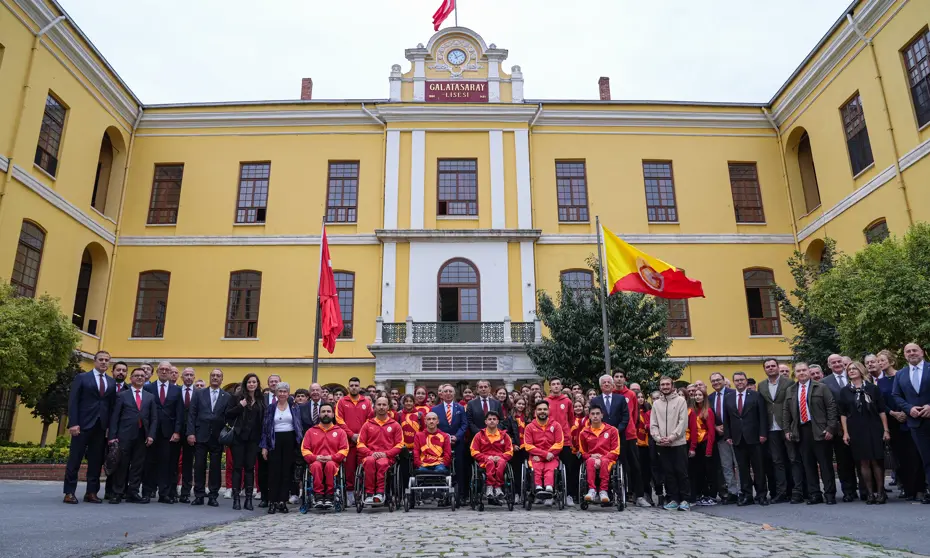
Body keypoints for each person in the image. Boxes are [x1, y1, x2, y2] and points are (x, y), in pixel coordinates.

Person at [63, 350, 115, 505]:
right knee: (75, 459)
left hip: (101, 426)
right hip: (82, 425)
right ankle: (69, 492)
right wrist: (73, 423)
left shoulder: (111, 382)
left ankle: (91, 492)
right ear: (95, 361)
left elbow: (111, 406)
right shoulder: (82, 378)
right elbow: (73, 401)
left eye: (106, 360)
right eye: (101, 359)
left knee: (96, 461)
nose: (104, 362)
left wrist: (109, 427)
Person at [783, 362, 838, 505]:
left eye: (804, 370)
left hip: (820, 430)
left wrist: (830, 428)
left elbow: (831, 407)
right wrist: (787, 430)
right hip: (801, 430)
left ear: (808, 371)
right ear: (795, 374)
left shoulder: (821, 387)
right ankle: (814, 494)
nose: (801, 373)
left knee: (825, 464)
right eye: (798, 371)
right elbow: (786, 411)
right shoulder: (791, 390)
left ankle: (829, 494)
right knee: (808, 465)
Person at [838, 361, 891, 505]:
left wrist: (886, 430)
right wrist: (845, 433)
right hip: (856, 429)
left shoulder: (872, 388)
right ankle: (869, 493)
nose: (851, 371)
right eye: (849, 369)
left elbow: (881, 410)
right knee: (863, 461)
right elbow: (843, 414)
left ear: (861, 371)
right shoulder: (845, 391)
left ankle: (880, 492)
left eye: (854, 369)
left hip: (874, 427)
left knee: (876, 460)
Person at [877, 350, 926, 500]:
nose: (880, 363)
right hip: (893, 423)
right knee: (901, 458)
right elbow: (881, 403)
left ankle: (920, 489)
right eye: (878, 361)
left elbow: (910, 396)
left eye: (882, 360)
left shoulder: (903, 375)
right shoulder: (880, 382)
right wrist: (893, 413)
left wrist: (906, 411)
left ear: (891, 361)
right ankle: (907, 489)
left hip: (910, 419)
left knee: (915, 456)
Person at [106, 367, 157, 504]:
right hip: (124, 435)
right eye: (136, 375)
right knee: (122, 465)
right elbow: (115, 417)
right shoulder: (122, 395)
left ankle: (133, 492)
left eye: (142, 376)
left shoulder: (150, 397)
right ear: (131, 378)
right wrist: (112, 436)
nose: (140, 378)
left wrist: (151, 435)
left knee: (137, 466)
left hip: (142, 436)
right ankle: (117, 492)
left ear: (145, 379)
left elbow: (154, 418)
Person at [187, 368, 232, 507]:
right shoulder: (199, 393)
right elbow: (192, 414)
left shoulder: (226, 396)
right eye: (213, 375)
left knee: (215, 467)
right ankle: (199, 495)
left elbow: (228, 417)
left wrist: (227, 435)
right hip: (200, 435)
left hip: (217, 437)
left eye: (218, 376)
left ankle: (213, 495)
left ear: (222, 379)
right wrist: (190, 433)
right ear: (210, 377)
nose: (215, 378)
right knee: (199, 466)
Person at [892, 343, 930, 504]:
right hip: (916, 423)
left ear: (922, 352)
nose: (912, 353)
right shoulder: (901, 374)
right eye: (908, 351)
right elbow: (896, 395)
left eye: (915, 350)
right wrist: (909, 409)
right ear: (905, 355)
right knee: (926, 459)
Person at [723, 371, 768, 506]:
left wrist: (763, 433)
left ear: (746, 381)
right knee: (743, 469)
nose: (739, 382)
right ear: (734, 382)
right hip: (737, 438)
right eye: (737, 380)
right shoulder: (729, 397)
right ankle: (747, 495)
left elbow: (763, 416)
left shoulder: (756, 395)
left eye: (742, 380)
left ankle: (761, 495)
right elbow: (727, 418)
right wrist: (728, 435)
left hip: (755, 437)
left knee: (759, 468)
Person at [142, 361, 183, 504]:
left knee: (166, 463)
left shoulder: (176, 390)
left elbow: (179, 413)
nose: (164, 372)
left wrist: (177, 431)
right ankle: (147, 492)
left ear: (171, 372)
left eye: (167, 370)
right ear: (157, 371)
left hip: (168, 433)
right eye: (162, 369)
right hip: (151, 432)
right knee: (149, 463)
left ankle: (164, 494)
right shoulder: (148, 388)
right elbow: (144, 411)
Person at [822, 354, 861, 501]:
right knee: (843, 460)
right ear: (829, 365)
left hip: (858, 424)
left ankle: (865, 489)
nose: (837, 364)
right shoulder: (825, 382)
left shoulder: (854, 377)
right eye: (834, 362)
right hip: (838, 426)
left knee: (861, 458)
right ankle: (848, 491)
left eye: (839, 361)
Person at [260, 382, 304, 514]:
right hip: (274, 441)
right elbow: (265, 428)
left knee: (286, 472)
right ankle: (272, 501)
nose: (282, 394)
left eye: (285, 391)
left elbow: (298, 425)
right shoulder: (271, 407)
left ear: (288, 393)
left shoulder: (294, 407)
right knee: (274, 472)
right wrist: (264, 447)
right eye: (280, 391)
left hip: (290, 440)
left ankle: (282, 501)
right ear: (276, 393)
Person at [225, 373, 264, 511]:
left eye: (254, 382)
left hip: (253, 439)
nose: (251, 384)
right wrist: (240, 406)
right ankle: (236, 499)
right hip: (238, 438)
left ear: (257, 384)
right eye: (249, 382)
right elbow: (228, 414)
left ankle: (248, 499)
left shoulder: (261, 399)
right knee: (237, 467)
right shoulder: (236, 398)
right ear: (245, 384)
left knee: (249, 468)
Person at [651, 376, 690, 511]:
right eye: (663, 385)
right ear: (659, 387)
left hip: (678, 443)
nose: (665, 387)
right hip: (662, 444)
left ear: (672, 386)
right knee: (669, 473)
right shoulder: (656, 404)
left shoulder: (680, 401)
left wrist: (672, 437)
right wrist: (658, 438)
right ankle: (674, 499)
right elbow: (653, 423)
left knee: (681, 472)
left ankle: (685, 499)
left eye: (668, 384)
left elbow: (683, 422)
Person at [301, 402, 349, 509]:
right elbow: (305, 450)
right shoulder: (310, 431)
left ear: (333, 414)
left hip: (333, 463)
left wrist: (332, 457)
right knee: (316, 465)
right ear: (319, 414)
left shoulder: (340, 432)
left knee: (330, 465)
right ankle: (318, 496)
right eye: (323, 411)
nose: (326, 414)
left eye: (328, 411)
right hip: (315, 462)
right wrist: (315, 457)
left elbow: (344, 450)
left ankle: (329, 496)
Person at [356, 396, 404, 504]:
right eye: (379, 404)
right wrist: (371, 453)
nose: (381, 407)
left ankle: (380, 493)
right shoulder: (367, 425)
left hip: (387, 458)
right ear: (374, 407)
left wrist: (386, 454)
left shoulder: (395, 425)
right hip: (370, 456)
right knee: (369, 462)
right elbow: (360, 444)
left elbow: (400, 445)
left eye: (384, 405)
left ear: (388, 407)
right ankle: (369, 494)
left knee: (382, 463)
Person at [335, 377, 374, 504]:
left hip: (363, 442)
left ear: (360, 387)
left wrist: (361, 435)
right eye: (351, 385)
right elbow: (339, 420)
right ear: (348, 387)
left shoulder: (366, 402)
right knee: (349, 469)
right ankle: (350, 493)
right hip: (348, 442)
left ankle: (363, 492)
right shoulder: (341, 402)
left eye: (356, 385)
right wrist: (351, 435)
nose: (354, 387)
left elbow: (370, 420)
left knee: (364, 467)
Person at [759, 359, 792, 503]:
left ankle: (796, 490)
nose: (771, 368)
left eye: (773, 366)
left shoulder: (789, 383)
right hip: (771, 428)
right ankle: (781, 492)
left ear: (778, 367)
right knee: (777, 461)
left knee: (792, 459)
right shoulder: (761, 385)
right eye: (768, 367)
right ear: (764, 369)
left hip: (787, 426)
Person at [612, 370, 643, 507]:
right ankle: (618, 494)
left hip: (630, 434)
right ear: (613, 379)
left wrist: (631, 427)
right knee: (617, 465)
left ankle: (639, 495)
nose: (619, 379)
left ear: (625, 379)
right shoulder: (611, 394)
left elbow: (635, 415)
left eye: (621, 377)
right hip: (614, 435)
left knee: (635, 465)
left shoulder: (631, 394)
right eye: (616, 377)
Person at [523, 400, 564, 503]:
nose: (542, 411)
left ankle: (549, 488)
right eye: (540, 409)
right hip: (536, 457)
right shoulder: (529, 427)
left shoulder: (556, 425)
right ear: (535, 412)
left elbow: (559, 444)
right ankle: (538, 488)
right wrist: (545, 454)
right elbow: (528, 446)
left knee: (550, 468)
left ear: (548, 411)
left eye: (545, 409)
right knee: (536, 467)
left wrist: (548, 454)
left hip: (552, 457)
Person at [578, 405, 620, 503]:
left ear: (602, 415)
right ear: (589, 416)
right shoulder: (584, 432)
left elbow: (616, 451)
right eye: (592, 414)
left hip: (608, 459)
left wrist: (601, 458)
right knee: (590, 461)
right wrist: (591, 456)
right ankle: (591, 490)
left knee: (604, 461)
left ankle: (603, 491)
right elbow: (583, 452)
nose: (595, 416)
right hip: (592, 459)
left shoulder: (612, 430)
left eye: (597, 414)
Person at [433, 384, 468, 503]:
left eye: (450, 391)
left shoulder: (460, 408)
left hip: (458, 443)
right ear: (441, 394)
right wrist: (446, 437)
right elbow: (434, 426)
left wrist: (457, 436)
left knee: (460, 468)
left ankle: (461, 496)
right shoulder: (435, 409)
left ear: (454, 394)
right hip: (441, 444)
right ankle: (442, 496)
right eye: (445, 391)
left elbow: (464, 424)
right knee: (442, 468)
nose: (448, 393)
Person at [707, 372, 738, 504]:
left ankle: (742, 491)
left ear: (724, 380)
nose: (716, 382)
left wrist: (728, 427)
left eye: (718, 380)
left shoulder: (733, 393)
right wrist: (715, 427)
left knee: (738, 465)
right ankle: (732, 492)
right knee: (726, 466)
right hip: (720, 437)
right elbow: (708, 417)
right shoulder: (710, 398)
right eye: (713, 381)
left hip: (735, 435)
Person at [545, 378, 576, 504]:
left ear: (561, 386)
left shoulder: (567, 401)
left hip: (565, 440)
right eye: (553, 384)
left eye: (558, 384)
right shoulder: (546, 401)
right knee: (550, 468)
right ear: (550, 387)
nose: (556, 386)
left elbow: (571, 420)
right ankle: (550, 495)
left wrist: (566, 432)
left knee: (568, 468)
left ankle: (569, 495)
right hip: (549, 441)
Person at [470, 410, 513, 499]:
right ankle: (489, 486)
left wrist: (500, 457)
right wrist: (486, 457)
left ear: (497, 421)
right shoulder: (479, 435)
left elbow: (510, 451)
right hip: (484, 461)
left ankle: (498, 487)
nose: (492, 421)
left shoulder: (505, 435)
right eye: (489, 419)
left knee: (501, 463)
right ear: (486, 422)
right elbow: (474, 451)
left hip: (500, 459)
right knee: (490, 462)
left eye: (494, 419)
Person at [103, 361, 130, 500]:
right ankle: (106, 491)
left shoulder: (129, 389)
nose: (121, 372)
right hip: (104, 428)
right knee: (109, 459)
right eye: (118, 370)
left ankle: (120, 490)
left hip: (123, 431)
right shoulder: (106, 386)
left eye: (124, 370)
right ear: (112, 372)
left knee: (121, 460)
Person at [688, 389, 716, 506]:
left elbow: (711, 432)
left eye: (700, 395)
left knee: (709, 471)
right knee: (699, 471)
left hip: (706, 443)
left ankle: (712, 496)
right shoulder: (693, 411)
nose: (697, 397)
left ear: (704, 397)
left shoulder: (708, 411)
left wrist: (709, 449)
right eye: (696, 395)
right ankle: (703, 494)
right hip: (697, 445)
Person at [176, 367, 197, 503]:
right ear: (182, 377)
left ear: (194, 377)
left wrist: (192, 432)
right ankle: (171, 491)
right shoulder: (175, 391)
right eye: (186, 375)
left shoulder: (199, 393)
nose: (189, 377)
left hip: (191, 433)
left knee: (188, 464)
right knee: (173, 462)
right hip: (175, 432)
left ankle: (185, 492)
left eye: (191, 375)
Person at [636, 392, 655, 505]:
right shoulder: (633, 412)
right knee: (639, 471)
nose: (640, 399)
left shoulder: (648, 411)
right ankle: (639, 494)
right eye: (638, 397)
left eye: (642, 397)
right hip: (637, 444)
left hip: (648, 444)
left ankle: (648, 494)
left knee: (648, 471)